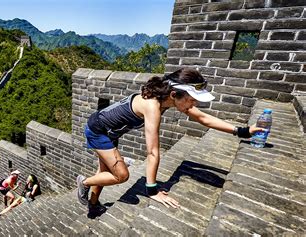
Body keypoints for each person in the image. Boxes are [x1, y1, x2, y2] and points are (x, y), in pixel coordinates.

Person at [76, 68, 263, 214]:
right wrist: (152, 190)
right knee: (121, 175)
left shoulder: (168, 98)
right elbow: (152, 152)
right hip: (98, 131)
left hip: (109, 131)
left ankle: (93, 206)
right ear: (174, 95)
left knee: (104, 172)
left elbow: (204, 119)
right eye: (192, 100)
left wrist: (243, 131)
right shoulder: (153, 107)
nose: (194, 104)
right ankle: (84, 183)